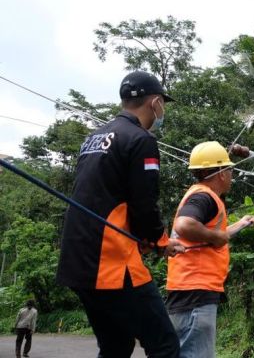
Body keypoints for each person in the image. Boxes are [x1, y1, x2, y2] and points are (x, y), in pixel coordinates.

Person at [56, 71, 184, 358]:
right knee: (164, 345)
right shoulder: (141, 140)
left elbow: (106, 197)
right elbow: (144, 205)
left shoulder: (94, 138)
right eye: (163, 102)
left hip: (77, 262)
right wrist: (161, 242)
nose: (163, 109)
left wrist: (149, 241)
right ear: (154, 102)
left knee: (116, 347)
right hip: (110, 263)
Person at [166, 141, 254, 358]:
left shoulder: (198, 194)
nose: (232, 174)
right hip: (196, 291)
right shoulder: (204, 196)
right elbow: (184, 225)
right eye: (230, 169)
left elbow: (216, 236)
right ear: (221, 173)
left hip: (185, 288)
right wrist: (216, 236)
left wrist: (241, 224)